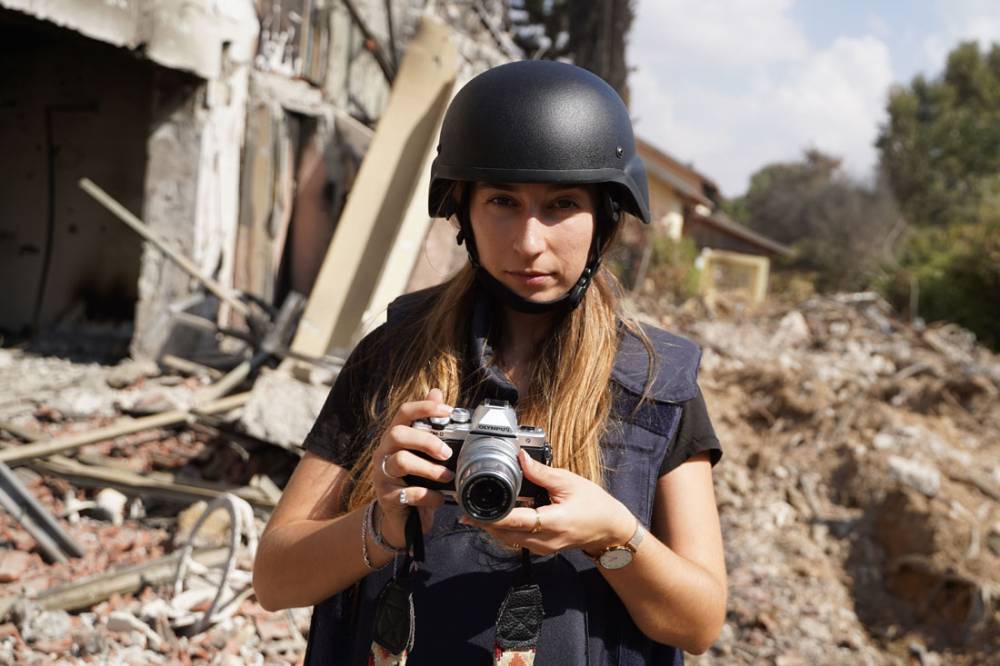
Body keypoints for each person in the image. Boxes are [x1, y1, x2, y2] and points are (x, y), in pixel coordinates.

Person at [253, 60, 726, 665]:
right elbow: (275, 579)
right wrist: (383, 525)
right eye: (503, 200)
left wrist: (614, 535)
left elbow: (699, 621)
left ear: (604, 217)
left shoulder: (657, 383)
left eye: (561, 205)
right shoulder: (393, 360)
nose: (529, 241)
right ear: (465, 212)